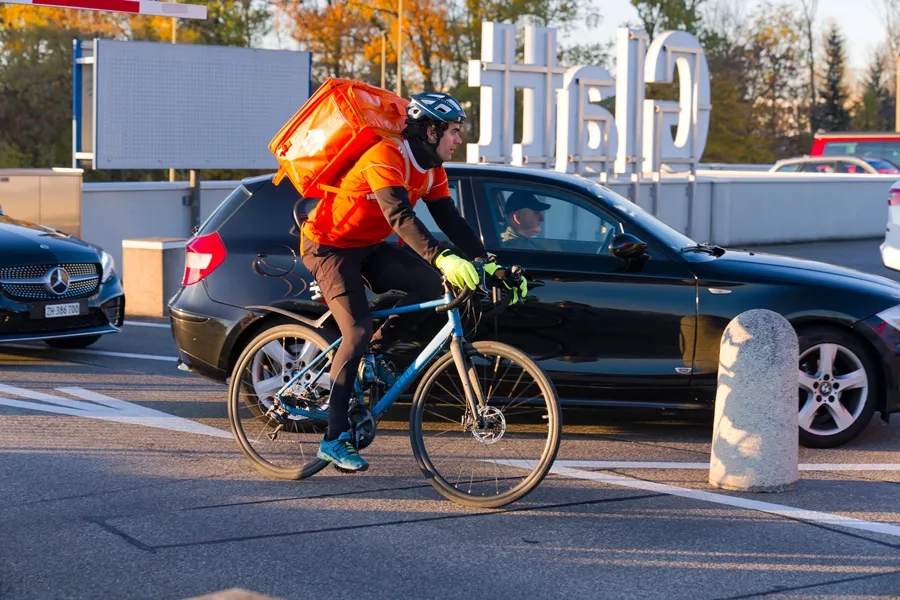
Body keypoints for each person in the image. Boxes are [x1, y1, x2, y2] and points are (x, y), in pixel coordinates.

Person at [299, 90, 527, 473]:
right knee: (354, 332)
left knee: (434, 288)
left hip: (368, 245)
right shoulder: (385, 155)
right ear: (431, 131)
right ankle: (333, 438)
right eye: (454, 131)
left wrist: (488, 264)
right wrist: (442, 256)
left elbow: (450, 219)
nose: (459, 139)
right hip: (329, 246)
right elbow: (400, 216)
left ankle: (376, 351)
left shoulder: (432, 168)